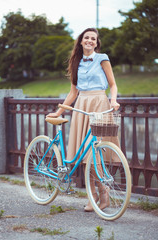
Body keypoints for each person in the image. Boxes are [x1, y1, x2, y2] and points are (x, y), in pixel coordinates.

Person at [46, 28, 120, 212]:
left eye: (93, 38)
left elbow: (112, 84)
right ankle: (93, 195)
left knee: (95, 153)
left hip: (100, 104)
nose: (89, 40)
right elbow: (73, 93)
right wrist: (59, 111)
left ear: (96, 42)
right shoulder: (76, 63)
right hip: (81, 105)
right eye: (86, 37)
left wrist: (113, 99)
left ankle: (103, 193)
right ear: (81, 41)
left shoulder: (102, 58)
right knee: (86, 155)